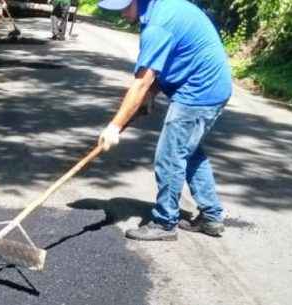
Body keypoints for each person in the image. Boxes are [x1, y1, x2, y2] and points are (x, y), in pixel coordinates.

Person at [96, 0, 233, 241]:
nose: (120, 14)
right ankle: (211, 216)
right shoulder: (161, 8)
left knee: (170, 155)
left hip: (199, 92)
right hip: (210, 87)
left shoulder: (158, 25)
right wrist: (149, 97)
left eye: (121, 8)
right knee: (187, 151)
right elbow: (169, 63)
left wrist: (115, 126)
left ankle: (164, 222)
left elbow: (142, 81)